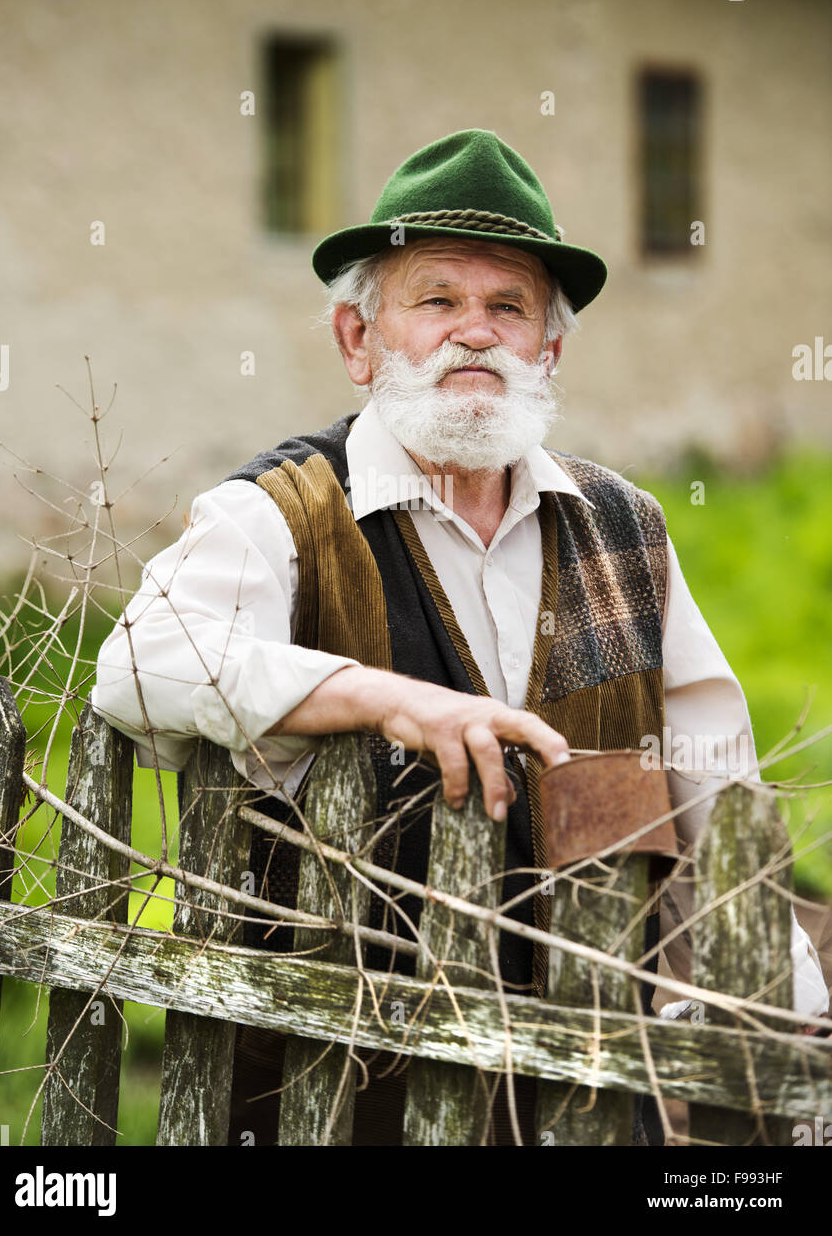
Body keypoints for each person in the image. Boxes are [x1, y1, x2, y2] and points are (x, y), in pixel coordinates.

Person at [92, 128, 829, 1145]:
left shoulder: (626, 528)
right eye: (435, 300)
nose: (472, 334)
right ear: (360, 338)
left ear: (548, 350)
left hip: (591, 1082)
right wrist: (384, 695)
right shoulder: (283, 513)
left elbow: (717, 787)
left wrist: (793, 994)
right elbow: (140, 661)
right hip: (348, 1086)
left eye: (508, 307)